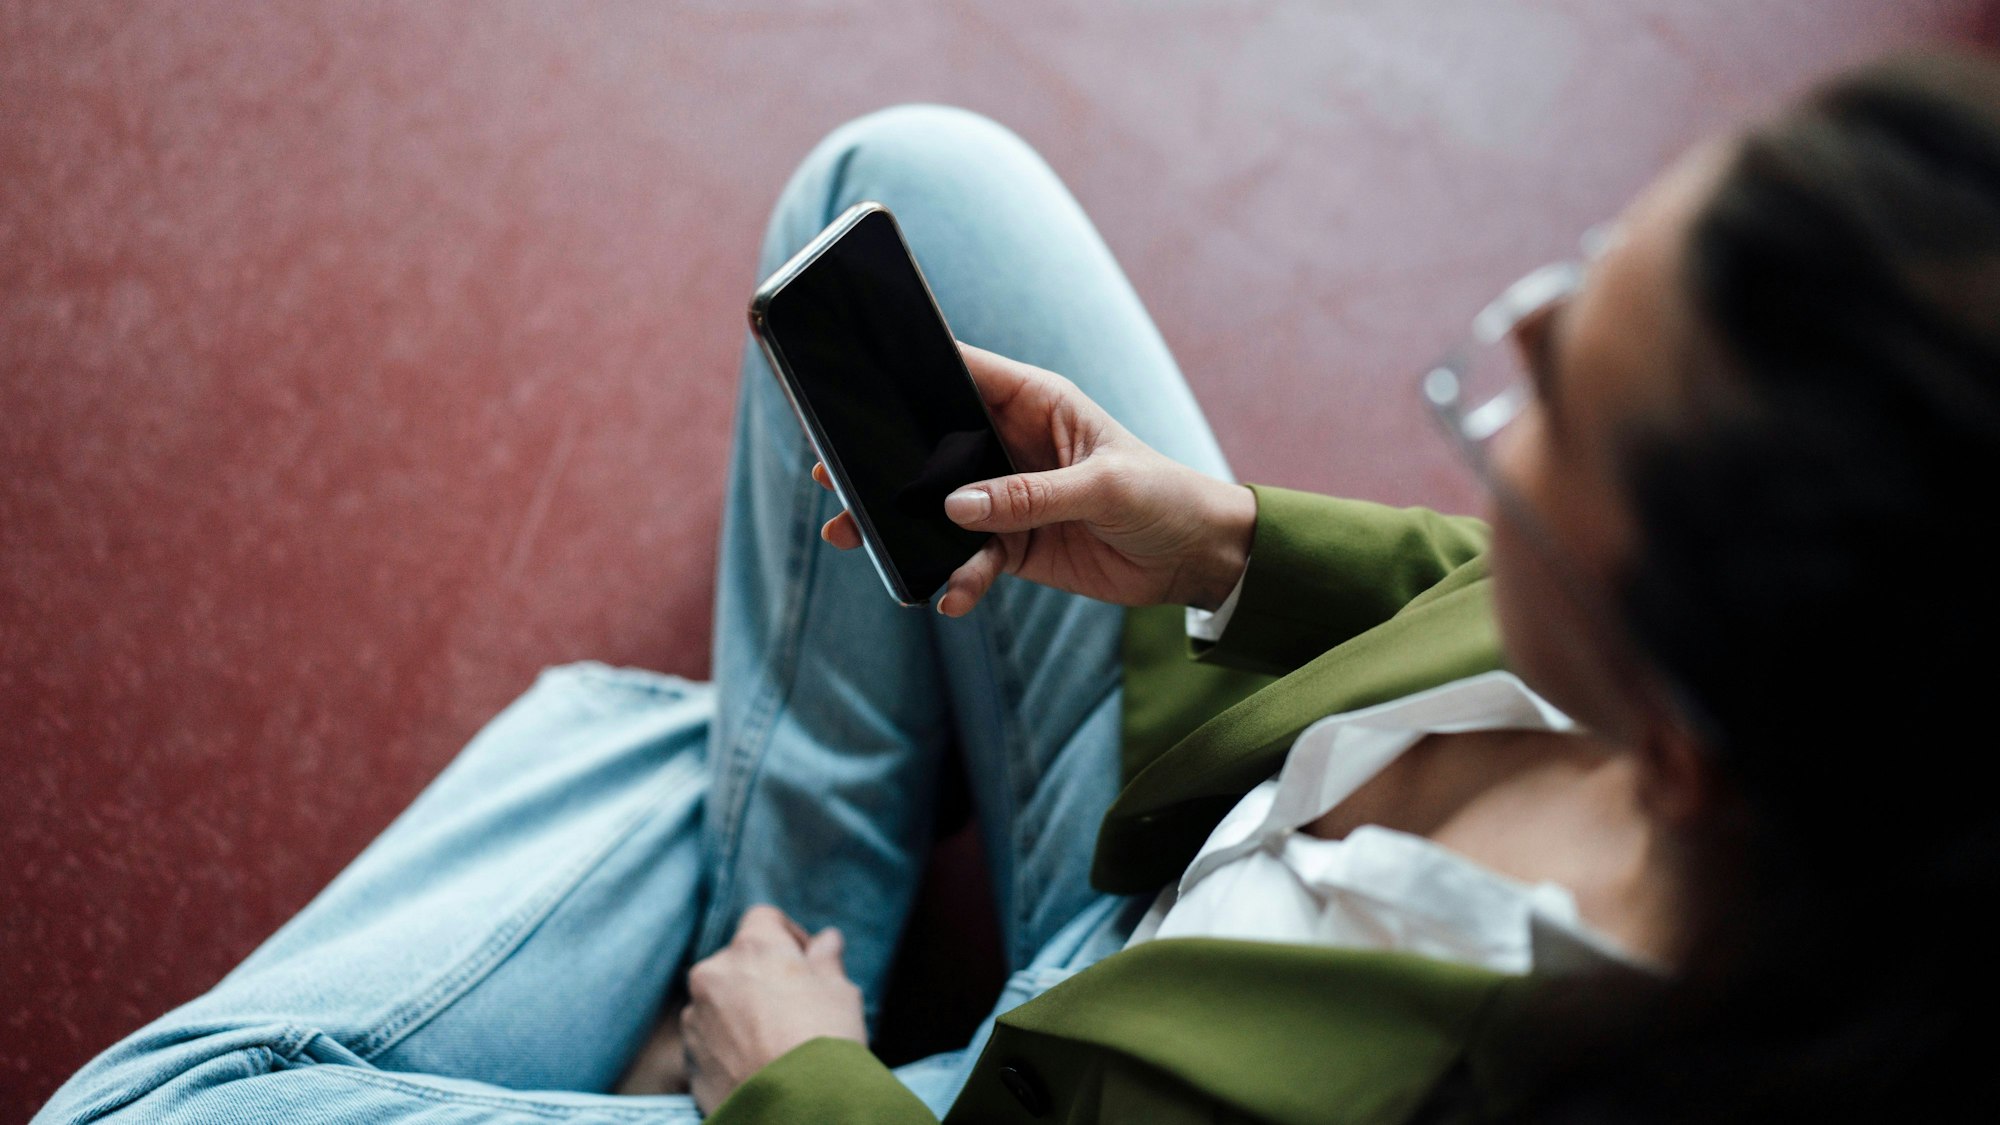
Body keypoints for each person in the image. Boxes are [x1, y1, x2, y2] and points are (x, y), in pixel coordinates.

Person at [37, 47, 2000, 1124]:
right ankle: (775, 912)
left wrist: (802, 1086)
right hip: (1186, 823)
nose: (1519, 337)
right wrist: (1222, 540)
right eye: (1588, 270)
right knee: (894, 182)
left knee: (140, 1113)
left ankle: (745, 932)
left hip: (1013, 1096)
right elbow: (1468, 601)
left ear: (1689, 715)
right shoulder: (1838, 657)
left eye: (1541, 405)